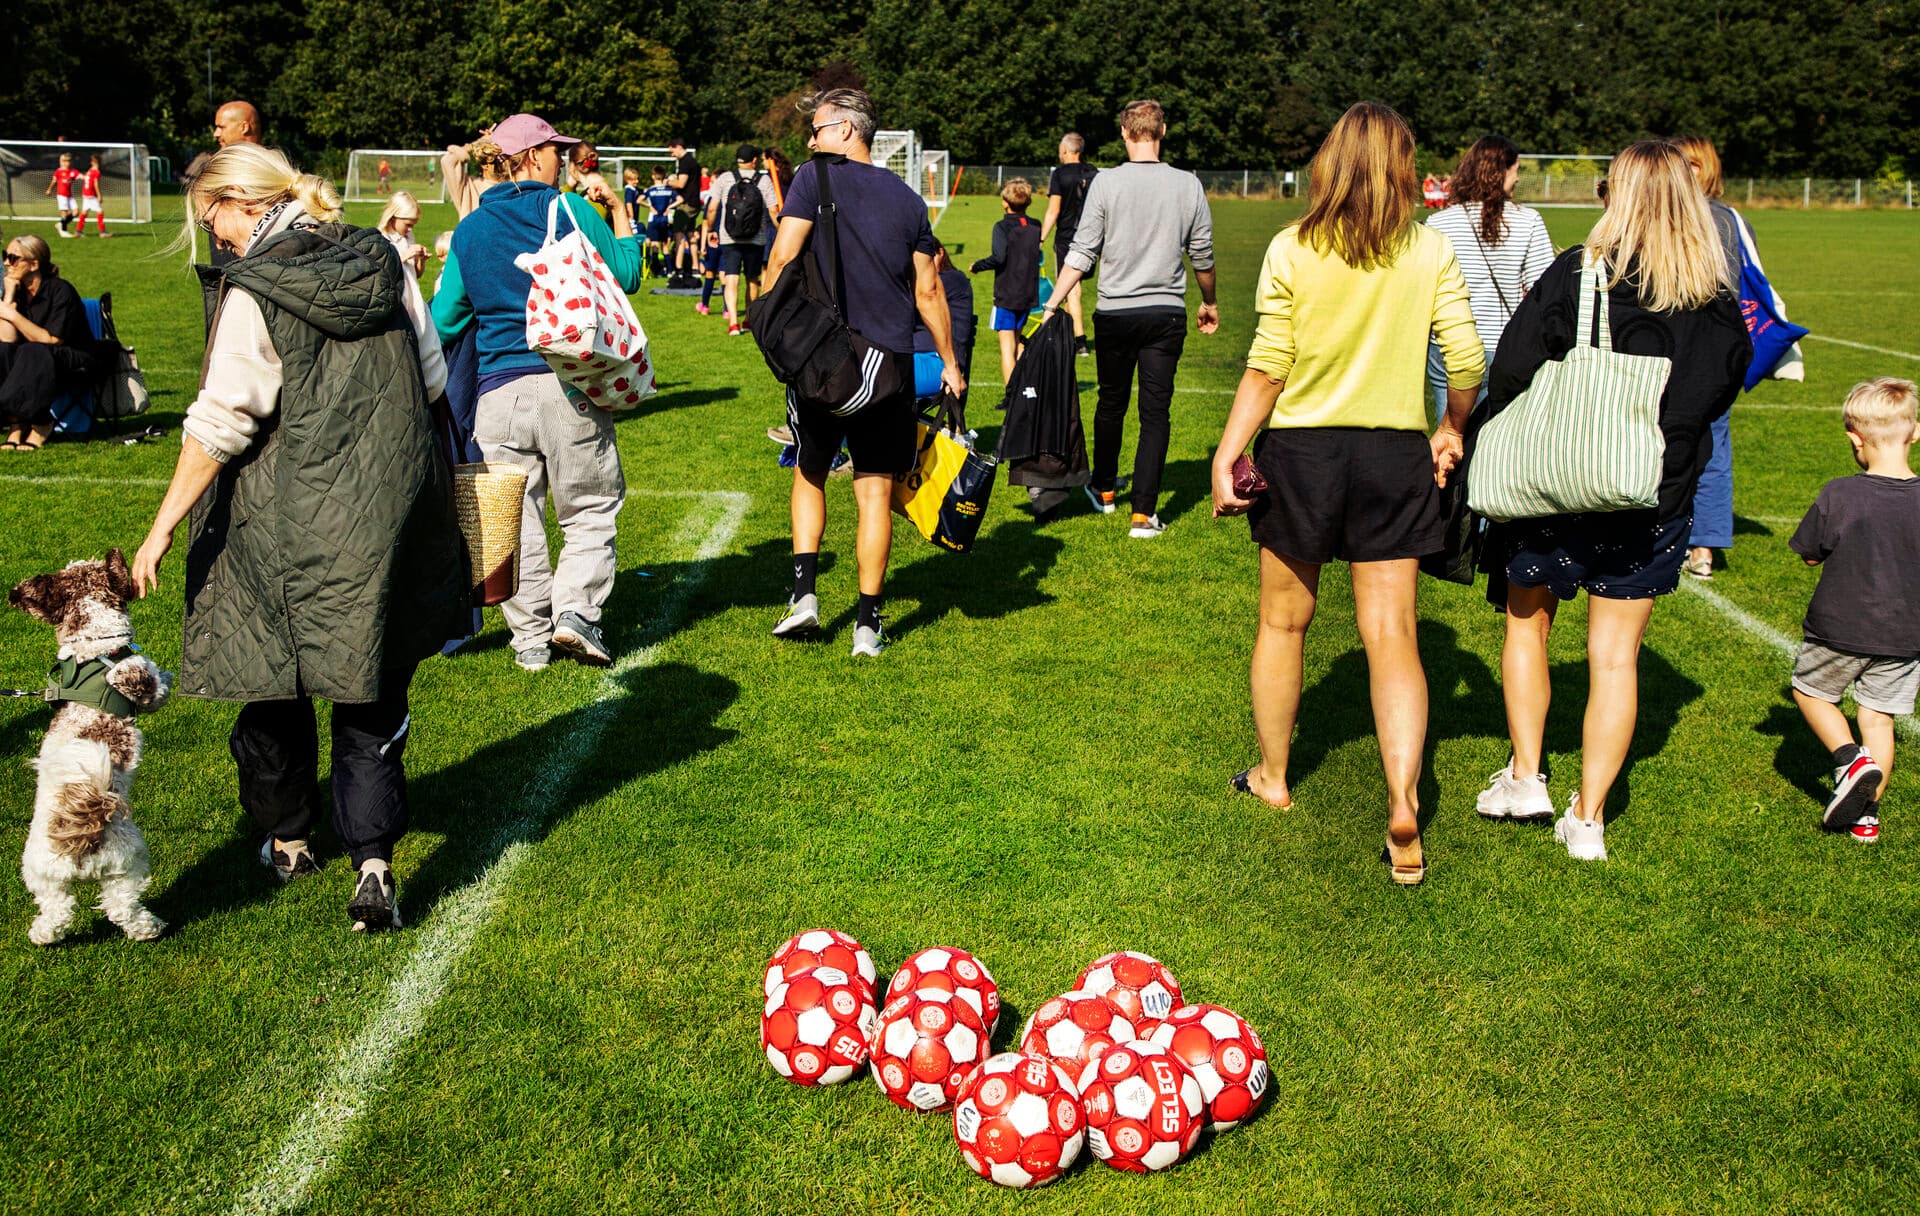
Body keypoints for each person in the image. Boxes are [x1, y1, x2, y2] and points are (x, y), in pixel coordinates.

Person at [129, 143, 466, 931]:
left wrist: (160, 529)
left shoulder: (253, 288)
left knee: (271, 671)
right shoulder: (383, 256)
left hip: (280, 520)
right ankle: (375, 863)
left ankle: (288, 840)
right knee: (369, 686)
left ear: (243, 203)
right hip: (384, 512)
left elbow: (220, 423)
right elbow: (433, 379)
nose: (217, 239)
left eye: (213, 221)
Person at [1208, 102, 1484, 887]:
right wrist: (1449, 428)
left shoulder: (1292, 246)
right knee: (1393, 633)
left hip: (1303, 452)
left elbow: (1268, 365)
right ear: (1404, 168)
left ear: (1329, 162)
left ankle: (1273, 776)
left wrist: (1229, 451)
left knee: (1283, 622)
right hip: (1395, 452)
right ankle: (1403, 800)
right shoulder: (1430, 250)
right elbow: (1466, 360)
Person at [1474, 139, 1750, 862]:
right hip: (1653, 493)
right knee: (1616, 658)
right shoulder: (1714, 294)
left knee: (1526, 629)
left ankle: (1527, 775)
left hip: (1557, 483)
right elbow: (1723, 386)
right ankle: (1587, 819)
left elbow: (1509, 366)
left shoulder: (1579, 271)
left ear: (1618, 194)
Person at [429, 113, 641, 673]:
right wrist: (619, 214)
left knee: (512, 518)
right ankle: (576, 613)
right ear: (529, 157)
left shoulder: (471, 227)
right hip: (568, 381)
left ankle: (529, 640)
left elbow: (446, 319)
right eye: (554, 150)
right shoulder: (569, 208)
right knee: (590, 507)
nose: (562, 160)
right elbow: (626, 273)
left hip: (497, 394)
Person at [761, 86, 966, 657]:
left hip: (822, 360)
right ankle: (868, 627)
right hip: (889, 367)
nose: (811, 138)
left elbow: (782, 256)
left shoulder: (812, 177)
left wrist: (767, 318)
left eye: (820, 128)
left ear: (848, 130)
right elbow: (929, 290)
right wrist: (949, 363)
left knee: (809, 470)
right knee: (874, 493)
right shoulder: (908, 201)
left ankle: (804, 596)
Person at [1043, 99, 1217, 538]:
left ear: (1124, 133)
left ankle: (1103, 489)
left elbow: (1082, 251)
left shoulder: (1105, 183)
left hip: (1115, 313)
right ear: (1163, 131)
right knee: (1154, 412)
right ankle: (1143, 513)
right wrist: (1209, 300)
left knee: (1111, 402)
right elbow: (1203, 256)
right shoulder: (1188, 184)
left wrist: (1052, 302)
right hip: (1165, 314)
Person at [1788, 378, 1920, 846]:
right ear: (1915, 432)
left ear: (1854, 438)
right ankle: (1867, 816)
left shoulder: (1840, 493)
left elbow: (1809, 553)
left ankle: (1850, 760)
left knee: (1811, 693)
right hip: (1906, 636)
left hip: (1838, 627)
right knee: (1878, 719)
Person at [1673, 134, 1802, 582]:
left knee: (1705, 444)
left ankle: (1700, 543)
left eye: (1690, 163)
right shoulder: (1729, 218)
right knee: (1702, 443)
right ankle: (1692, 541)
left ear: (1705, 167)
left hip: (1699, 345)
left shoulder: (1699, 217)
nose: (1684, 172)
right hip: (1713, 346)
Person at [1424, 136, 1553, 420]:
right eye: (1515, 169)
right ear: (1500, 171)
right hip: (1505, 345)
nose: (1518, 178)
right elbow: (1543, 292)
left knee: (1451, 442)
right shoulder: (1528, 221)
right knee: (1499, 445)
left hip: (1449, 345)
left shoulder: (1439, 222)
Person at [0, 235, 94, 451]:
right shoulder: (17, 291)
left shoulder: (61, 291)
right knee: (3, 351)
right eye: (5, 256)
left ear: (34, 264)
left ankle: (41, 423)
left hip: (72, 357)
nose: (6, 263)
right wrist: (8, 299)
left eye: (13, 258)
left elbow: (53, 339)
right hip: (33, 359)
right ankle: (16, 425)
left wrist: (13, 316)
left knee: (35, 350)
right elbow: (6, 339)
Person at [969, 177, 1043, 384]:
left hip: (1007, 293)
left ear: (1005, 202)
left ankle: (1011, 397)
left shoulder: (1002, 227)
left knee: (1007, 347)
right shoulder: (1035, 225)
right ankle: (1024, 389)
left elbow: (999, 257)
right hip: (1028, 292)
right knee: (1018, 341)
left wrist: (977, 266)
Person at [705, 144, 780, 336]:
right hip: (756, 238)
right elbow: (773, 210)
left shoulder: (725, 178)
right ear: (754, 160)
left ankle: (732, 323)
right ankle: (748, 319)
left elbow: (712, 208)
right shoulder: (764, 180)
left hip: (729, 237)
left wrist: (710, 229)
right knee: (752, 279)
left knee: (731, 278)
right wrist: (782, 231)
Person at [1040, 133, 1096, 356]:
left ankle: (1080, 341)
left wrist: (1041, 237)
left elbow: (1053, 210)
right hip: (1092, 237)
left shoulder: (1060, 174)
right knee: (1075, 290)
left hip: (1067, 238)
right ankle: (1067, 332)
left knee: (1071, 288)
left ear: (1065, 151)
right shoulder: (1094, 173)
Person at [913, 238, 974, 403]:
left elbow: (922, 294)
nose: (927, 264)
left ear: (941, 252)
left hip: (939, 365)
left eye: (930, 258)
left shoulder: (953, 279)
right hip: (917, 359)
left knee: (866, 378)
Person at [442, 128, 506, 219]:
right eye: (496, 159)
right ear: (484, 165)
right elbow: (448, 161)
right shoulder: (467, 187)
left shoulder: (514, 185)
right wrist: (480, 142)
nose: (502, 163)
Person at [666, 137, 701, 284]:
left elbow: (681, 184)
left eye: (672, 151)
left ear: (678, 147)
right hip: (694, 203)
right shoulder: (692, 161)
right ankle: (695, 268)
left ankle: (678, 269)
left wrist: (668, 182)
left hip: (686, 205)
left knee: (678, 236)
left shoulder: (685, 162)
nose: (671, 155)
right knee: (691, 236)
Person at [376, 190, 429, 278]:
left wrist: (421, 260)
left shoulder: (409, 236)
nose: (410, 229)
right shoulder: (382, 238)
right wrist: (405, 256)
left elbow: (416, 275)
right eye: (408, 224)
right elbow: (382, 274)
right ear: (393, 217)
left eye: (413, 225)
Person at [644, 165, 677, 278]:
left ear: (653, 176)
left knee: (654, 245)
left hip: (654, 220)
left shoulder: (651, 190)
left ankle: (656, 271)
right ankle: (669, 271)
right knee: (665, 246)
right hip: (665, 220)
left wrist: (649, 206)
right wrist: (669, 207)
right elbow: (680, 199)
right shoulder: (669, 190)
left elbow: (638, 200)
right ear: (663, 176)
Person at [566, 142, 613, 224]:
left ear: (572, 164)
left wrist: (569, 186)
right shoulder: (601, 188)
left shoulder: (598, 193)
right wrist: (570, 186)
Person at [45, 153, 80, 239]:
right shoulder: (59, 171)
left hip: (69, 195)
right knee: (64, 213)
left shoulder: (73, 171)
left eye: (69, 161)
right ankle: (64, 232)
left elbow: (81, 176)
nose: (67, 163)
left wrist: (88, 177)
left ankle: (60, 224)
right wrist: (49, 189)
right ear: (63, 162)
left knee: (76, 212)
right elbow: (54, 181)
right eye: (66, 161)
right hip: (61, 195)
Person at [78, 154, 110, 238]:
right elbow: (95, 184)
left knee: (84, 212)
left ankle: (78, 231)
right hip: (91, 195)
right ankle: (102, 232)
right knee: (100, 212)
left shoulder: (90, 170)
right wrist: (99, 195)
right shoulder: (96, 172)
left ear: (93, 162)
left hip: (85, 193)